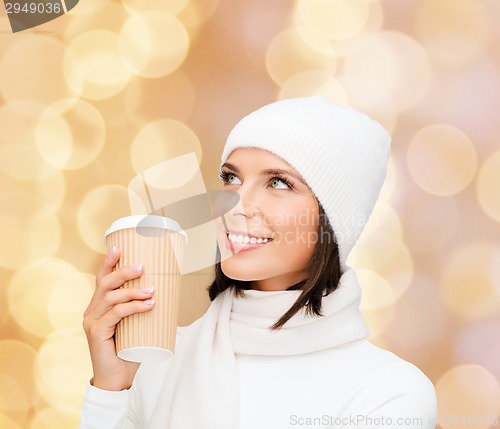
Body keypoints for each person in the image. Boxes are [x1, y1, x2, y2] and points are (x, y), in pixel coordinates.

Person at [79, 97, 438, 429]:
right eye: (231, 178)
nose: (234, 204)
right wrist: (111, 390)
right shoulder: (156, 360)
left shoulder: (389, 392)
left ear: (334, 221)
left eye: (279, 183)